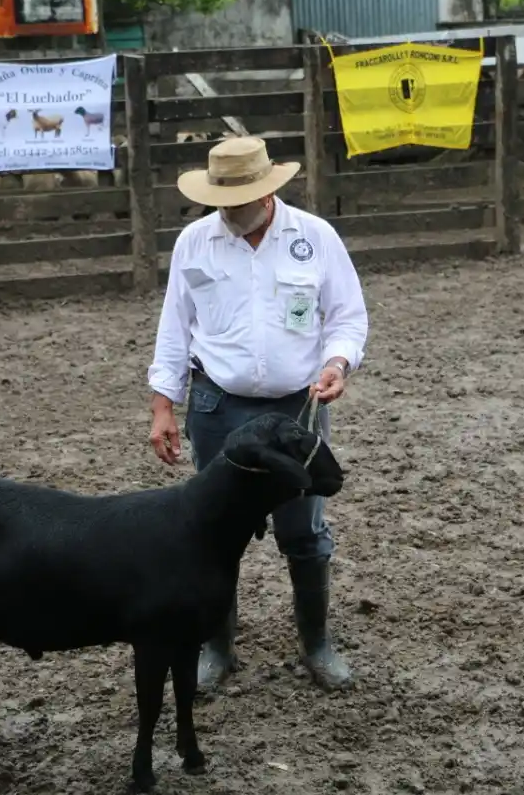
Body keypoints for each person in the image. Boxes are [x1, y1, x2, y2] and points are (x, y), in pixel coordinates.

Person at [146, 135, 369, 692]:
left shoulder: (315, 238)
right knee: (213, 531)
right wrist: (162, 405)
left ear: (267, 194)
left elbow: (346, 315)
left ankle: (316, 644)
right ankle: (217, 646)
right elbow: (174, 329)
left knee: (305, 529)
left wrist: (338, 361)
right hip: (217, 405)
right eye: (220, 202)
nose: (227, 213)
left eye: (237, 203)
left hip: (299, 406)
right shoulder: (194, 243)